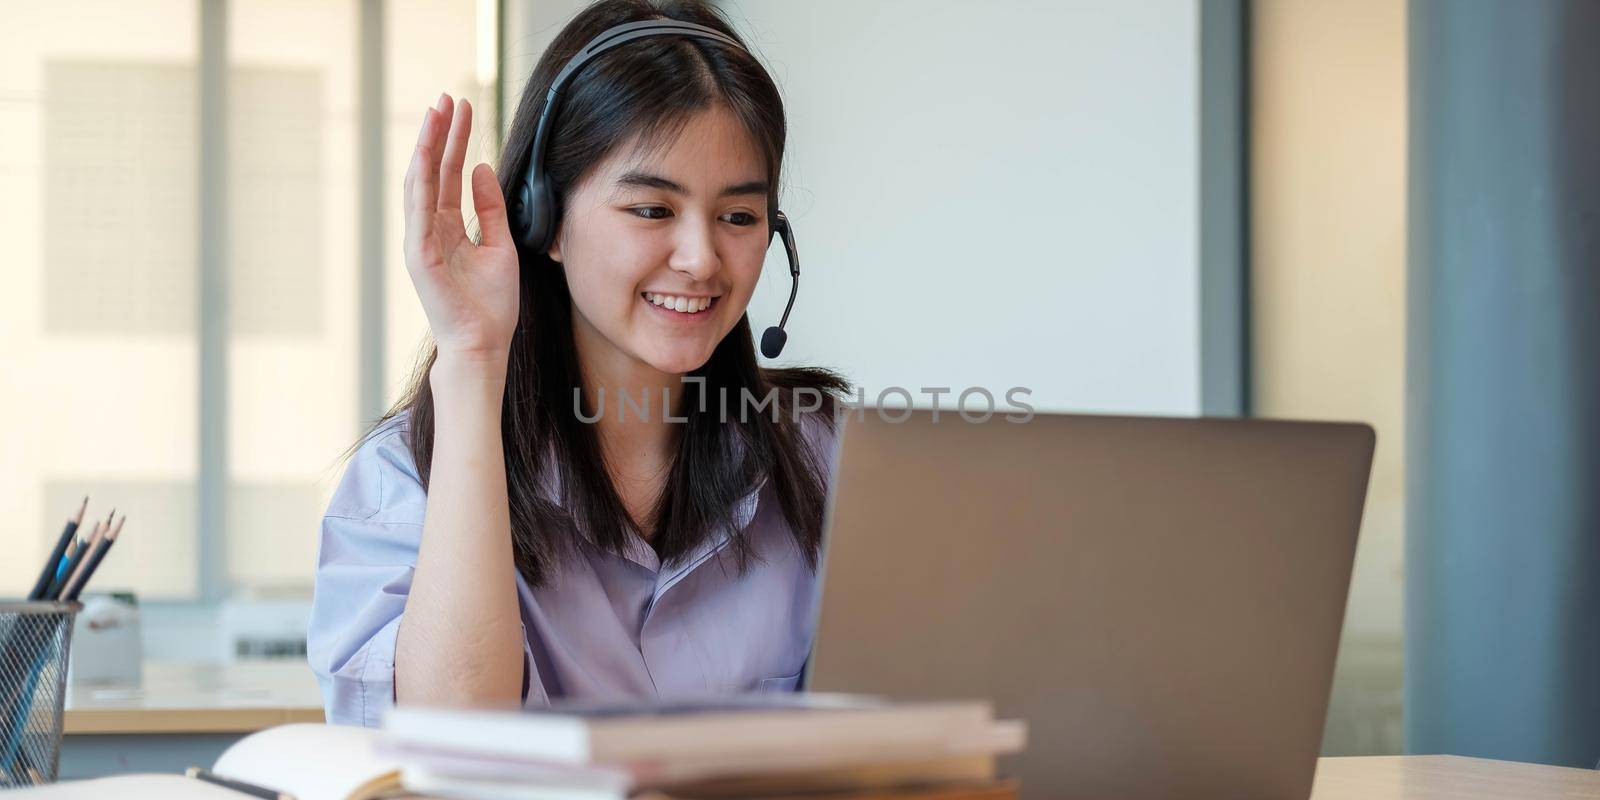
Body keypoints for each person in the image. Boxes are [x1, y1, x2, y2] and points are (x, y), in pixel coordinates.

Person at [306, 0, 848, 727]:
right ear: (545, 219)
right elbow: (449, 747)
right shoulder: (407, 479)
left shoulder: (825, 457)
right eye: (653, 210)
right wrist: (471, 357)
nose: (701, 259)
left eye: (739, 217)